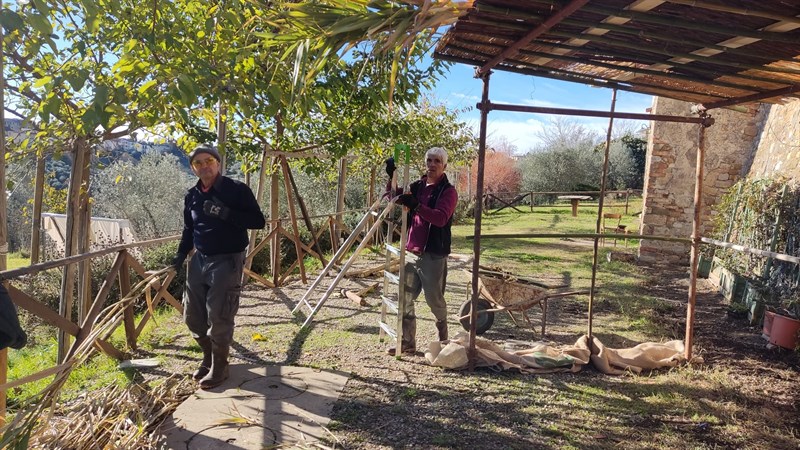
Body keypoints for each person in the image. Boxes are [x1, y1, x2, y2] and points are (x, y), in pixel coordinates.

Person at [172, 145, 265, 389]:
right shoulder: (192, 195)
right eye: (198, 163)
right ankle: (208, 357)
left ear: (218, 163)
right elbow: (188, 230)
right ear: (193, 168)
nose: (204, 166)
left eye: (209, 161)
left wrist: (226, 213)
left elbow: (258, 221)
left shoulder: (236, 190)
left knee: (220, 315)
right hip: (199, 259)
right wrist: (180, 256)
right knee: (193, 316)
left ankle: (220, 367)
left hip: (228, 259)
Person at [385, 147, 458, 356]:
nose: (432, 165)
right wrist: (392, 177)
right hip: (411, 251)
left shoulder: (448, 192)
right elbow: (391, 197)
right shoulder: (416, 186)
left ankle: (444, 341)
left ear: (444, 166)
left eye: (437, 161)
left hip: (433, 254)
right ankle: (408, 343)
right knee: (405, 297)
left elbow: (440, 218)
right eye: (429, 160)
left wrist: (416, 206)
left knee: (434, 299)